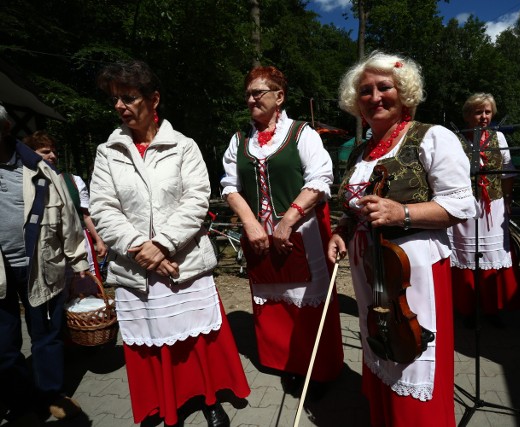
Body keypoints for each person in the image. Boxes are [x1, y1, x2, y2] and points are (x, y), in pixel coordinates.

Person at [90, 60, 249, 427]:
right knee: (149, 340)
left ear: (154, 99)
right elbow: (102, 207)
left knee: (196, 341)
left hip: (184, 261)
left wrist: (161, 245)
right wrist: (141, 250)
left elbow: (196, 200)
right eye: (115, 99)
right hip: (135, 267)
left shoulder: (184, 146)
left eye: (128, 98)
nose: (119, 106)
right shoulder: (107, 152)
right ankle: (161, 404)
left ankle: (208, 398)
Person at [328, 51, 477, 426]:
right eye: (365, 90)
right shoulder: (359, 153)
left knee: (413, 353)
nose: (375, 97)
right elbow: (353, 209)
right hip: (372, 271)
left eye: (384, 87)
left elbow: (461, 205)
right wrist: (341, 232)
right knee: (380, 344)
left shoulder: (432, 137)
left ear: (404, 93)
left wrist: (403, 212)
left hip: (415, 269)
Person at [220, 66, 344, 397]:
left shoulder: (303, 134)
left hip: (302, 234)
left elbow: (320, 179)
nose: (250, 99)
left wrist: (288, 220)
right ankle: (284, 363)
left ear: (279, 97)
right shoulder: (238, 141)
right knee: (272, 302)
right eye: (247, 94)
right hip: (259, 236)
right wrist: (249, 222)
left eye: (257, 92)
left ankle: (318, 370)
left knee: (306, 303)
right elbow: (230, 186)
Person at [0, 105, 89, 424]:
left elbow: (68, 216)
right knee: (4, 343)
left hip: (40, 263)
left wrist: (80, 265)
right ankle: (18, 399)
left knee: (46, 335)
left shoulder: (38, 168)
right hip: (0, 272)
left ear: (6, 127)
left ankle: (51, 394)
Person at [448, 93, 520, 328]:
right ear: (467, 115)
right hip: (464, 205)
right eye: (478, 112)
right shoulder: (455, 139)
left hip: (493, 205)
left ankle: (492, 309)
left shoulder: (499, 137)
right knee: (465, 255)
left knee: (491, 257)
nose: (483, 117)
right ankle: (467, 309)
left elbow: (507, 171)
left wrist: (509, 200)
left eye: (487, 112)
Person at [22, 131, 108, 282]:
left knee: (83, 287)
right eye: (46, 152)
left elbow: (86, 215)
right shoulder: (23, 183)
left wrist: (98, 240)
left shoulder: (73, 181)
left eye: (54, 152)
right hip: (45, 244)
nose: (53, 156)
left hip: (76, 240)